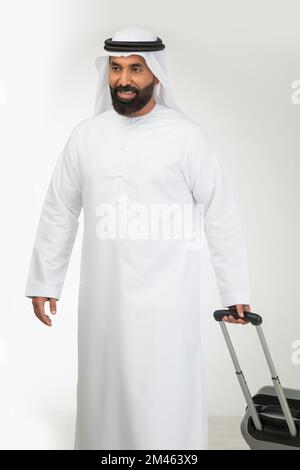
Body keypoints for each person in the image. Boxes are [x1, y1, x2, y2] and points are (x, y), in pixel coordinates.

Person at [25, 26, 251, 450]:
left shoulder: (185, 137)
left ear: (157, 75)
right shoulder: (86, 136)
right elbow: (60, 209)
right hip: (103, 301)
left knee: (164, 399)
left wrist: (234, 290)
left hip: (166, 306)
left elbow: (220, 213)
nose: (123, 80)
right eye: (115, 68)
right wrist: (44, 281)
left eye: (135, 69)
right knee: (103, 397)